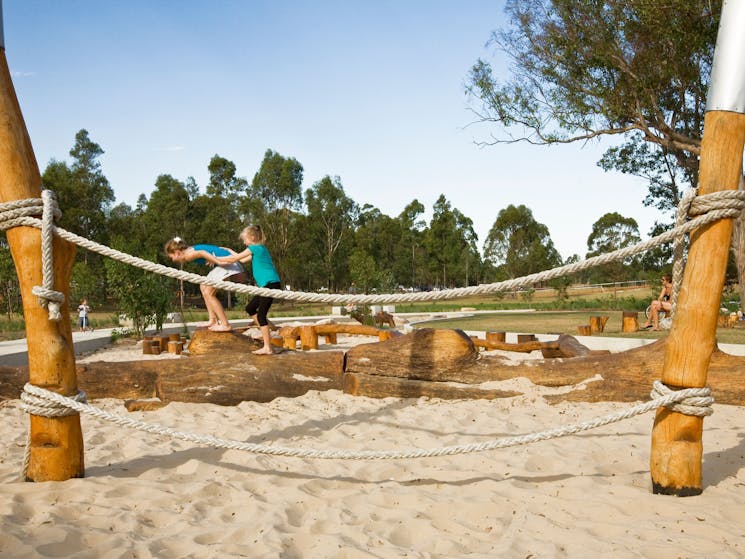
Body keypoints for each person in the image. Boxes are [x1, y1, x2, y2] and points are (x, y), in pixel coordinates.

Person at [214, 224, 281, 354]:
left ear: (252, 237)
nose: (244, 242)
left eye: (245, 239)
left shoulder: (255, 248)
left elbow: (235, 259)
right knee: (250, 308)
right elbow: (242, 259)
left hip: (270, 284)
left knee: (261, 315)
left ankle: (267, 347)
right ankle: (265, 332)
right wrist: (229, 250)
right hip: (268, 284)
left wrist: (214, 258)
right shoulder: (259, 249)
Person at [164, 237, 247, 332]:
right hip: (226, 264)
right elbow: (204, 252)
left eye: (172, 257)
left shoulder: (188, 255)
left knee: (209, 293)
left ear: (177, 252)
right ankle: (213, 320)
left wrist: (216, 260)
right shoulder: (189, 250)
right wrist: (213, 259)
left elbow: (201, 252)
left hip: (228, 264)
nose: (173, 260)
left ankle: (225, 324)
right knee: (203, 286)